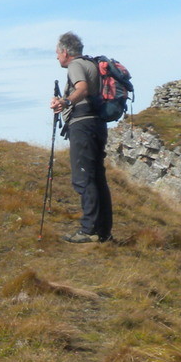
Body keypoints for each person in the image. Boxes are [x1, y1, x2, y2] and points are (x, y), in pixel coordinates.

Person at [51, 32, 112, 243]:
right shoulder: (91, 64)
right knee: (97, 177)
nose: (57, 57)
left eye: (57, 53)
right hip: (98, 124)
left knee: (84, 177)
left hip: (83, 124)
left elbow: (82, 89)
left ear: (65, 52)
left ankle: (89, 230)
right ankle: (103, 231)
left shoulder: (75, 65)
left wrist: (65, 102)